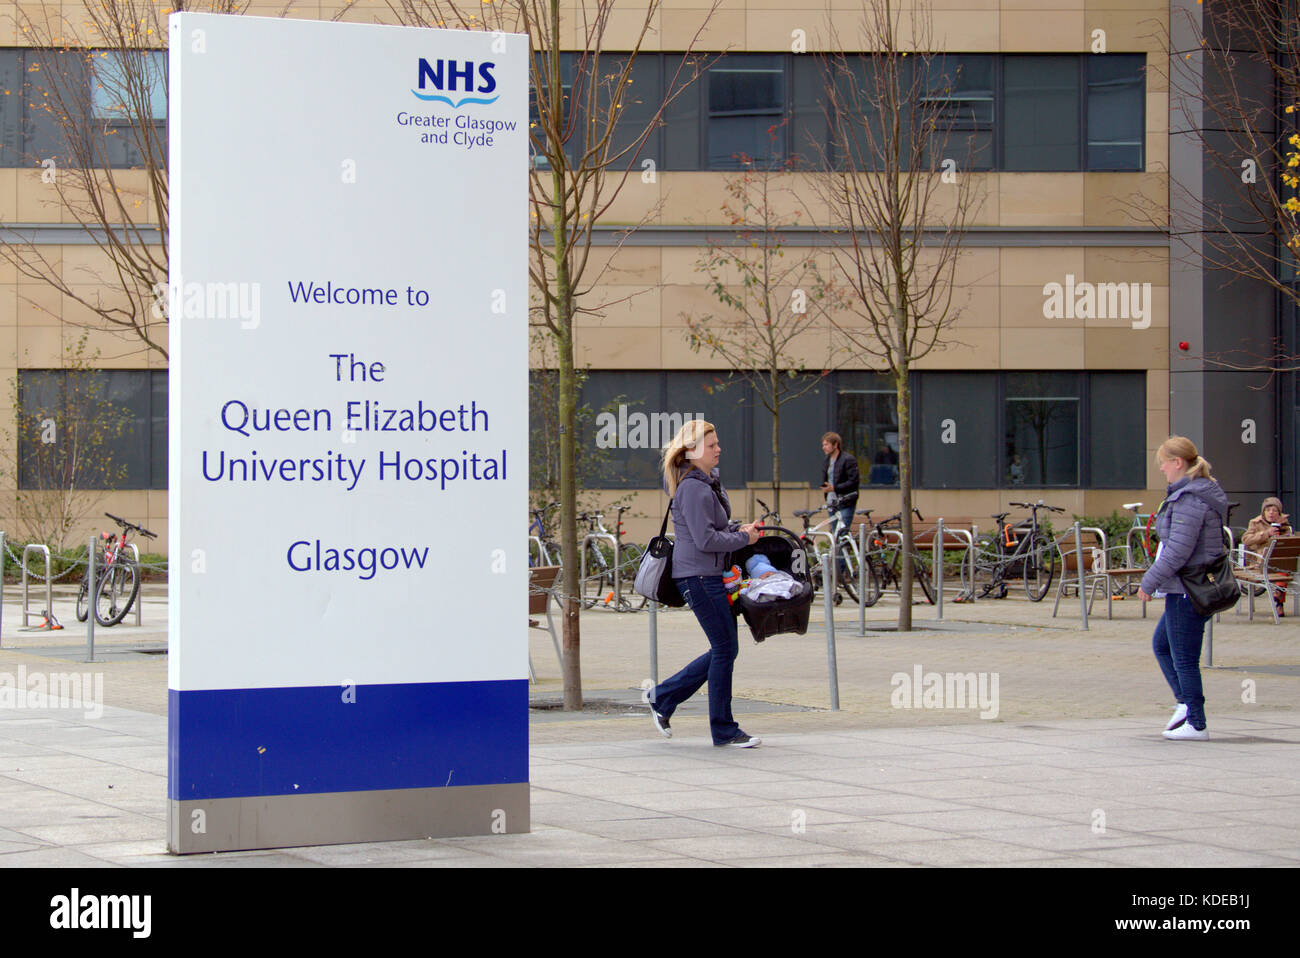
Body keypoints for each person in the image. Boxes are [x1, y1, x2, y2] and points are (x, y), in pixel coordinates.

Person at [645, 419, 763, 747]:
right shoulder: (694, 488)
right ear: (692, 450)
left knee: (725, 648)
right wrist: (741, 537)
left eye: (717, 444)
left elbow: (715, 529)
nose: (718, 449)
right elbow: (705, 539)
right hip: (697, 577)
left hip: (706, 574)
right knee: (725, 649)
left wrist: (742, 529)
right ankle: (723, 729)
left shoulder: (706, 482)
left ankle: (662, 697)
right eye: (712, 445)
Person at [1137, 436, 1228, 742]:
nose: (1161, 469)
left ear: (1178, 463)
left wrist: (1149, 582)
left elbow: (1178, 550)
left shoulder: (1191, 498)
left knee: (1184, 657)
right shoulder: (1195, 493)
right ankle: (1185, 705)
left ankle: (1196, 721)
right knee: (1163, 645)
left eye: (1163, 462)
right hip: (1189, 586)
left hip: (1188, 588)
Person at [1242, 497, 1292, 616]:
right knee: (1282, 568)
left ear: (1279, 513)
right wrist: (1265, 534)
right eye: (1268, 510)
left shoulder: (1284, 523)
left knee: (1283, 565)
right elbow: (1246, 540)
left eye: (1274, 510)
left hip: (1278, 561)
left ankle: (1278, 599)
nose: (1271, 513)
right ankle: (1279, 602)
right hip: (1260, 561)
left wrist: (1283, 535)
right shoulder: (1255, 522)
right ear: (1263, 512)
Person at [819, 432, 860, 536]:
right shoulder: (826, 461)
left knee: (841, 534)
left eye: (826, 444)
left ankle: (842, 552)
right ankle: (838, 552)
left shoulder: (848, 459)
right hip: (831, 502)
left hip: (845, 501)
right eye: (823, 445)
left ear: (835, 445)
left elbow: (854, 482)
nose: (824, 447)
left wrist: (834, 488)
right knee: (834, 533)